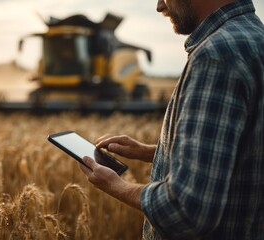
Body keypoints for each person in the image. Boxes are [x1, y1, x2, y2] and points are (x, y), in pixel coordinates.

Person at [78, 0, 264, 239]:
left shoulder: (216, 57)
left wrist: (116, 186)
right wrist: (151, 152)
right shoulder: (254, 39)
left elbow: (187, 209)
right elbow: (241, 152)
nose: (159, 6)